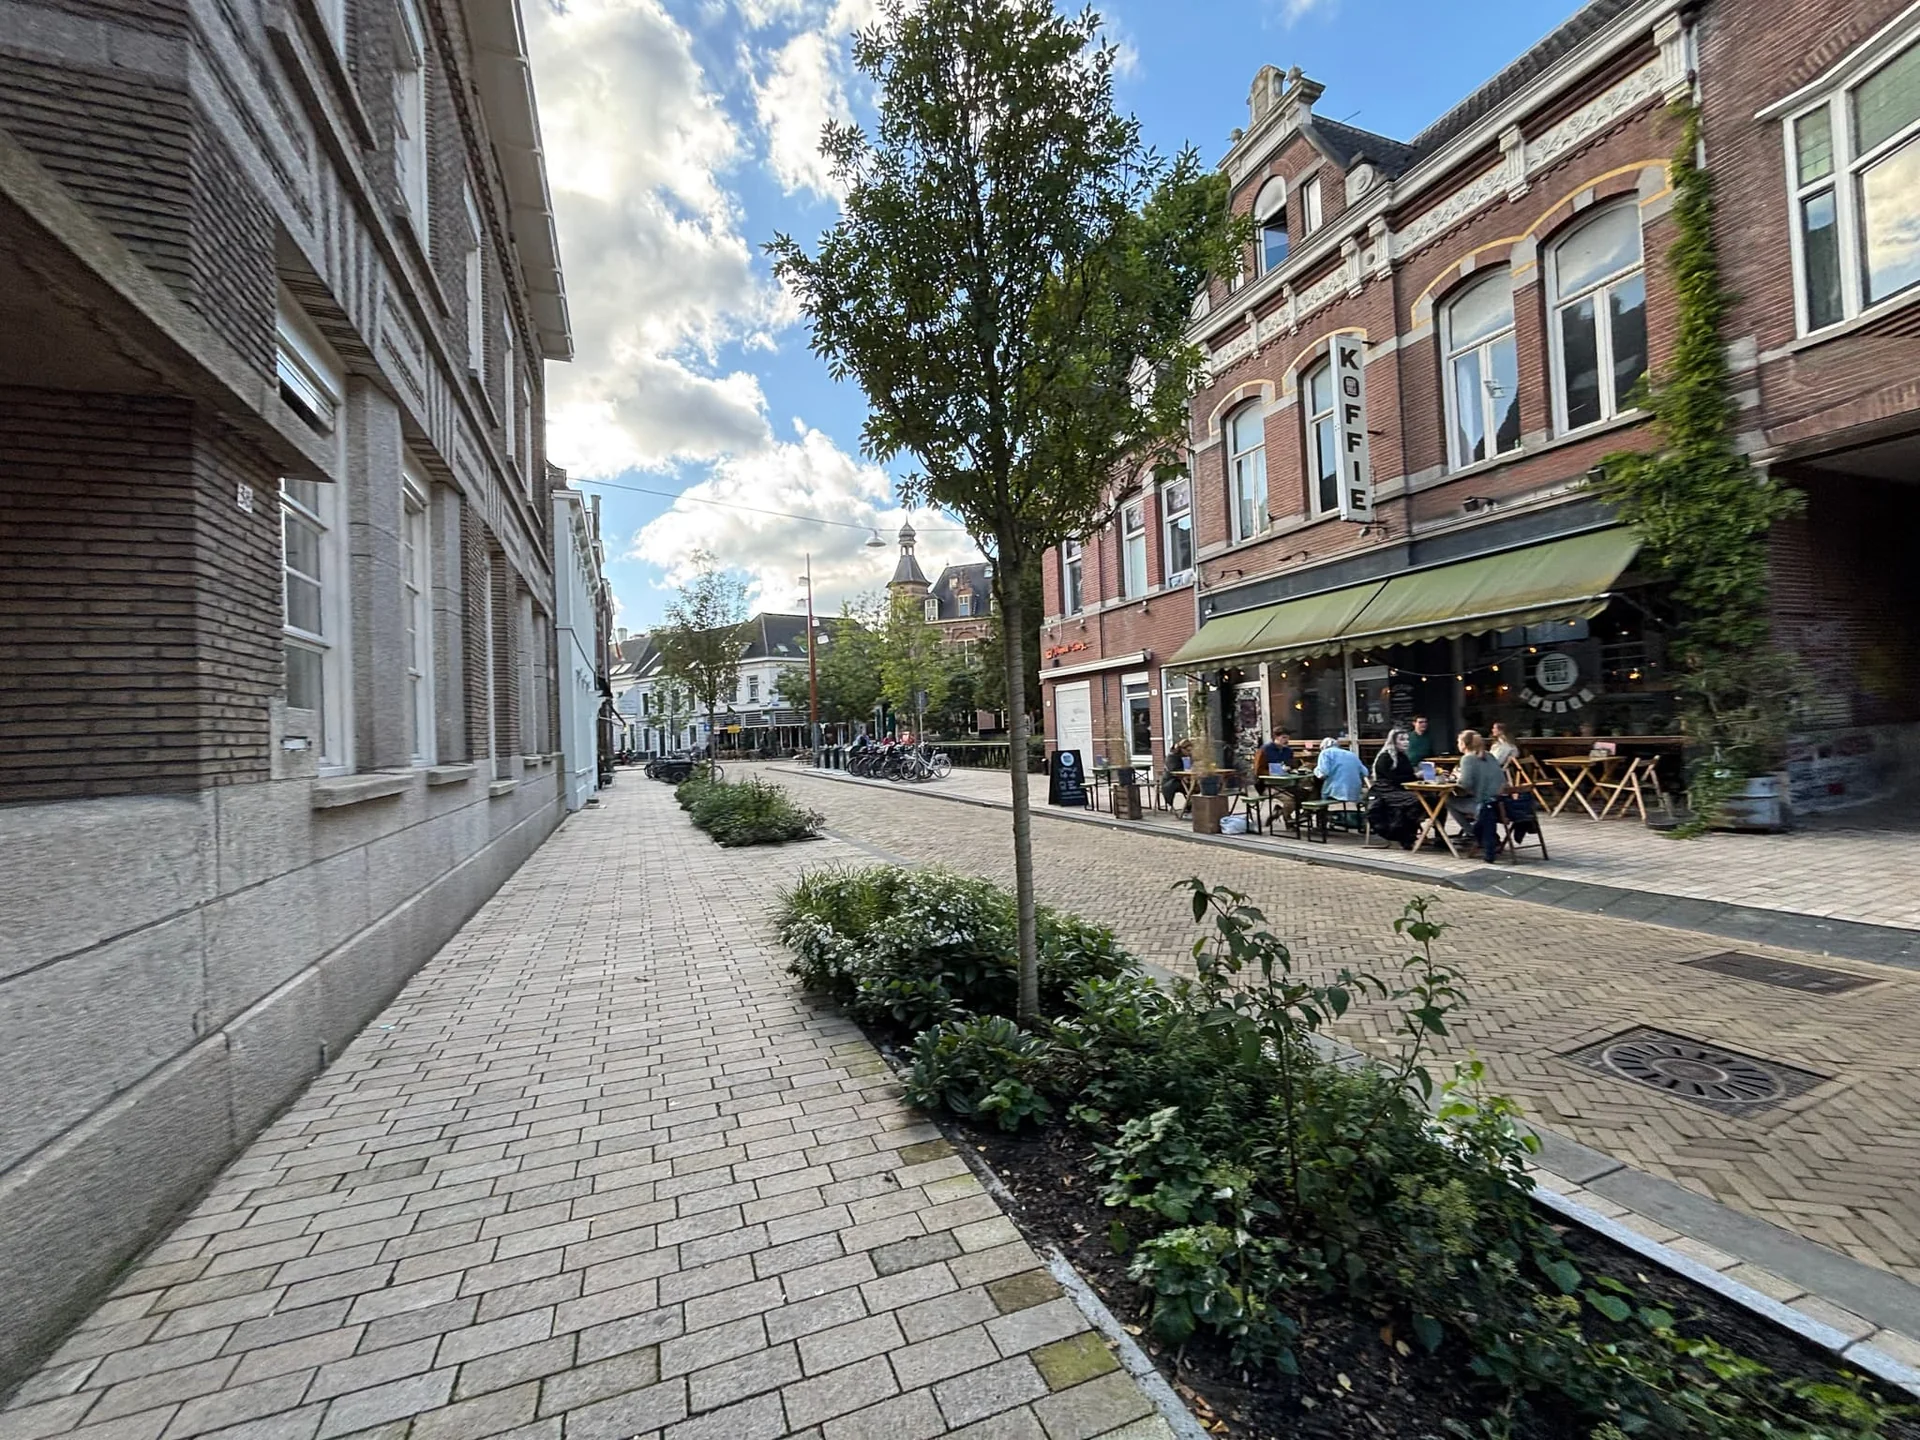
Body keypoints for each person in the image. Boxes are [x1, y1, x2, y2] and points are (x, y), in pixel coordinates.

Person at [1455, 729, 1507, 862]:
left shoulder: (1467, 759)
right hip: (1501, 803)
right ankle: (1483, 835)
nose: (1457, 744)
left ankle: (1473, 833)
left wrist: (1457, 778)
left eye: (1458, 741)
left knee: (1447, 801)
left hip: (1482, 804)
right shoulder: (1489, 755)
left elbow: (1465, 785)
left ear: (1464, 744)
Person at [1313, 736, 1366, 803]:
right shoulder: (1351, 754)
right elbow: (1365, 772)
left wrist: (1315, 770)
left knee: (1316, 787)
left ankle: (1317, 811)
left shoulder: (1325, 753)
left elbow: (1323, 773)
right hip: (1355, 792)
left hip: (1336, 792)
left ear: (1322, 747)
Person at [1161, 737, 1195, 808]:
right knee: (1191, 787)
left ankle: (1191, 805)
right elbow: (1174, 770)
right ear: (1182, 749)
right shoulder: (1172, 757)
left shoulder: (1188, 756)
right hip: (1171, 781)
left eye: (1191, 751)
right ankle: (1190, 805)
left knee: (1197, 786)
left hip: (1185, 779)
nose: (1189, 753)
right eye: (1188, 750)